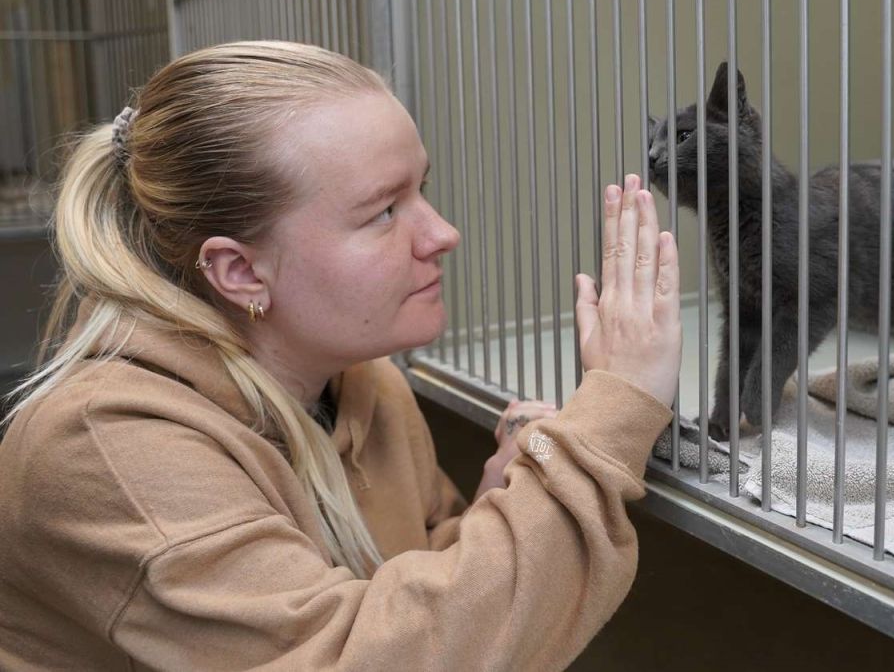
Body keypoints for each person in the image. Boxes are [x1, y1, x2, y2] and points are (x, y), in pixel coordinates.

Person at [0, 40, 683, 670]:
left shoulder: (361, 380)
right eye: (384, 211)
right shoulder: (108, 447)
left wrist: (509, 498)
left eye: (422, 187)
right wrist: (612, 409)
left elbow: (404, 589)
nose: (444, 232)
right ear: (240, 273)